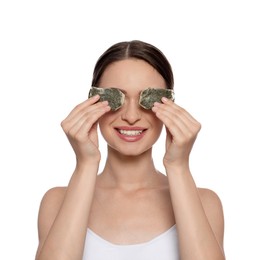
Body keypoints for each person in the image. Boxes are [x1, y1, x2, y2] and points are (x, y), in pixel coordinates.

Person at [35, 40, 225, 260]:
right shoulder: (57, 201)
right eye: (116, 98)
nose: (131, 116)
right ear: (94, 102)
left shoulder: (204, 203)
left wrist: (178, 166)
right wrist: (85, 163)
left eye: (148, 98)